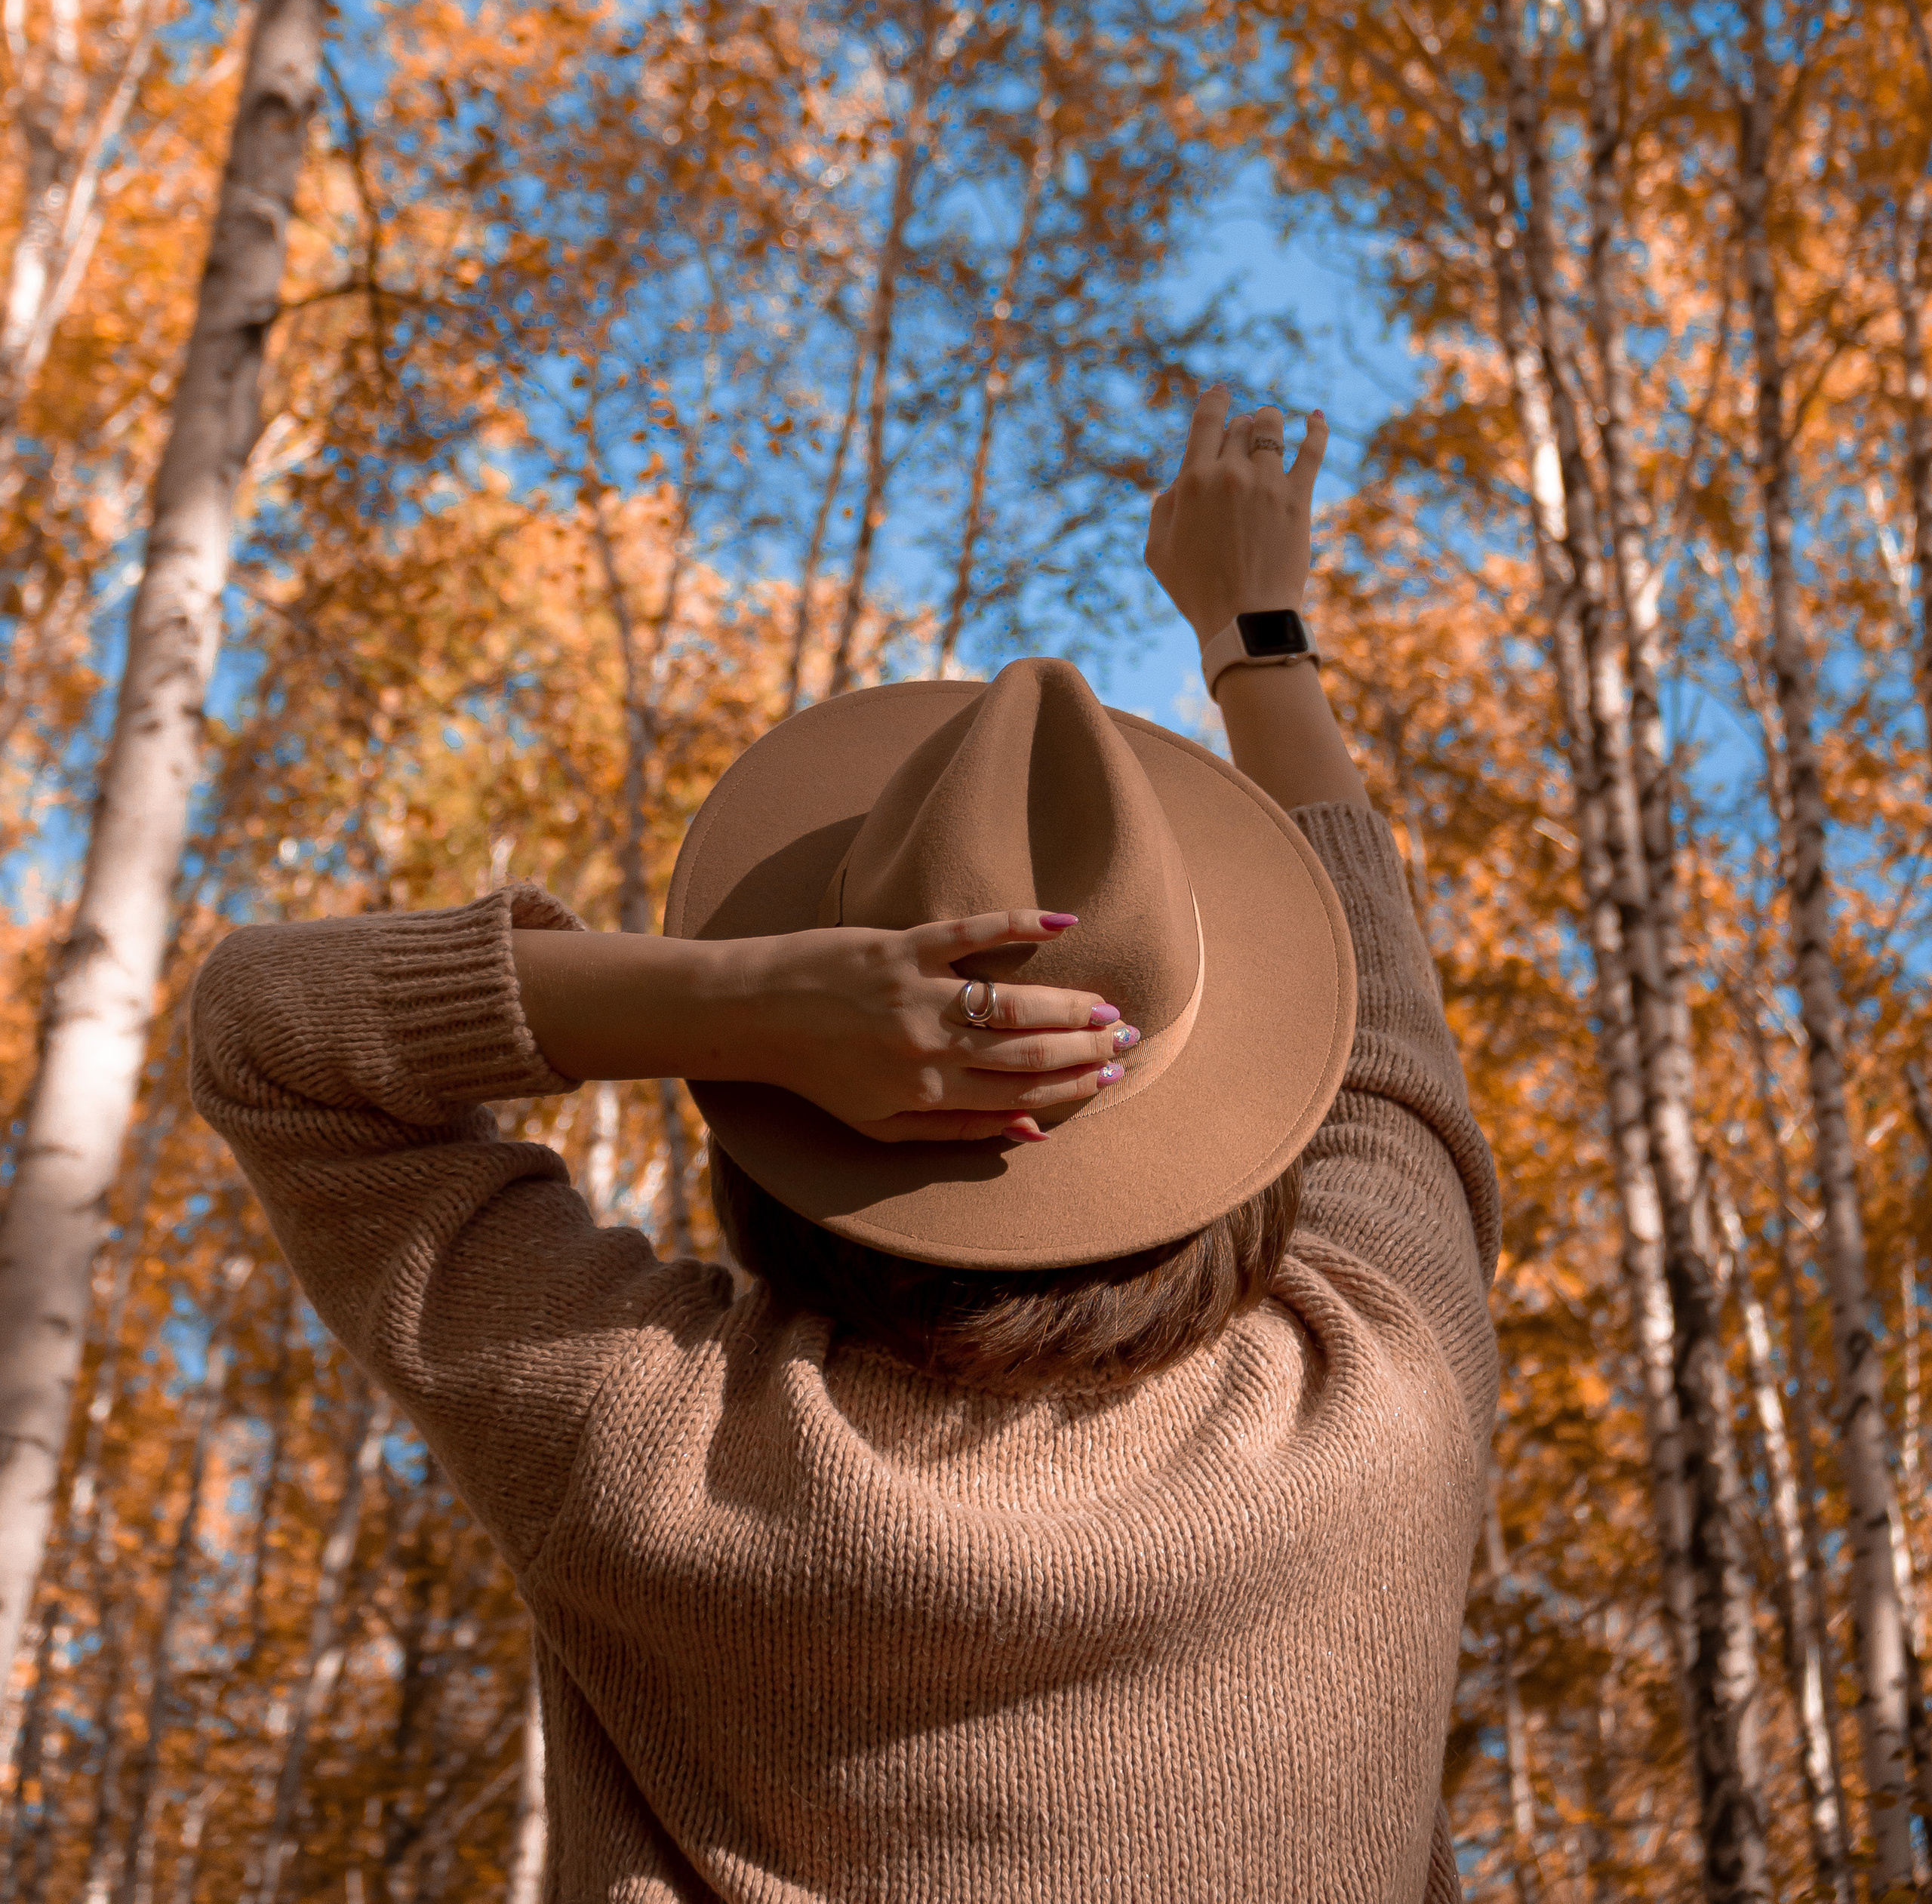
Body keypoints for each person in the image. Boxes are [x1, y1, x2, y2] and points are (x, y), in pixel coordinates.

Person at [191, 384, 1500, 1903]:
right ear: (1225, 1127)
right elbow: (1387, 1026)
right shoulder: (1381, 1402)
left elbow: (264, 1032)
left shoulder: (646, 1439)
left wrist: (737, 1003)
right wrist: (1251, 630)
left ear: (781, 1137)